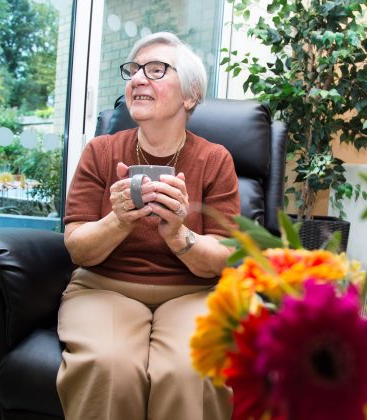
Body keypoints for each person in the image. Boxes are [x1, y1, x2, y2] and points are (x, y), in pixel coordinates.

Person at [57, 32, 238, 420]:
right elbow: (77, 247)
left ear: (190, 96)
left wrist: (178, 233)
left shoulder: (215, 159)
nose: (138, 78)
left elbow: (223, 258)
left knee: (189, 370)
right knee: (109, 366)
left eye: (156, 70)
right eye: (134, 70)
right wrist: (118, 219)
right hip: (104, 288)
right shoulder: (101, 151)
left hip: (193, 292)